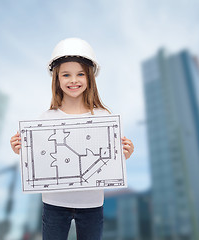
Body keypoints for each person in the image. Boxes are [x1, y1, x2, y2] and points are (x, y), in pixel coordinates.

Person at [10, 38, 134, 240]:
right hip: (54, 204)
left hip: (91, 204)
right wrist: (21, 150)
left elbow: (108, 160)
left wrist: (123, 155)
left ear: (90, 77)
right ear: (56, 78)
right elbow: (39, 161)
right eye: (66, 74)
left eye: (80, 74)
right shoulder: (45, 119)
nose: (73, 80)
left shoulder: (102, 117)